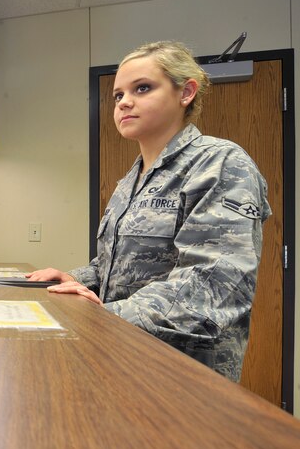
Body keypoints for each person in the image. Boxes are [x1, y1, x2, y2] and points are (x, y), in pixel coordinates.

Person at [27, 41, 270, 382]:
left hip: (182, 377)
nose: (124, 102)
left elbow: (212, 283)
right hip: (122, 360)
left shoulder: (220, 164)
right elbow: (116, 266)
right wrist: (75, 280)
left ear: (186, 92)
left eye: (142, 88)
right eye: (118, 95)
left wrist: (104, 318)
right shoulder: (132, 178)